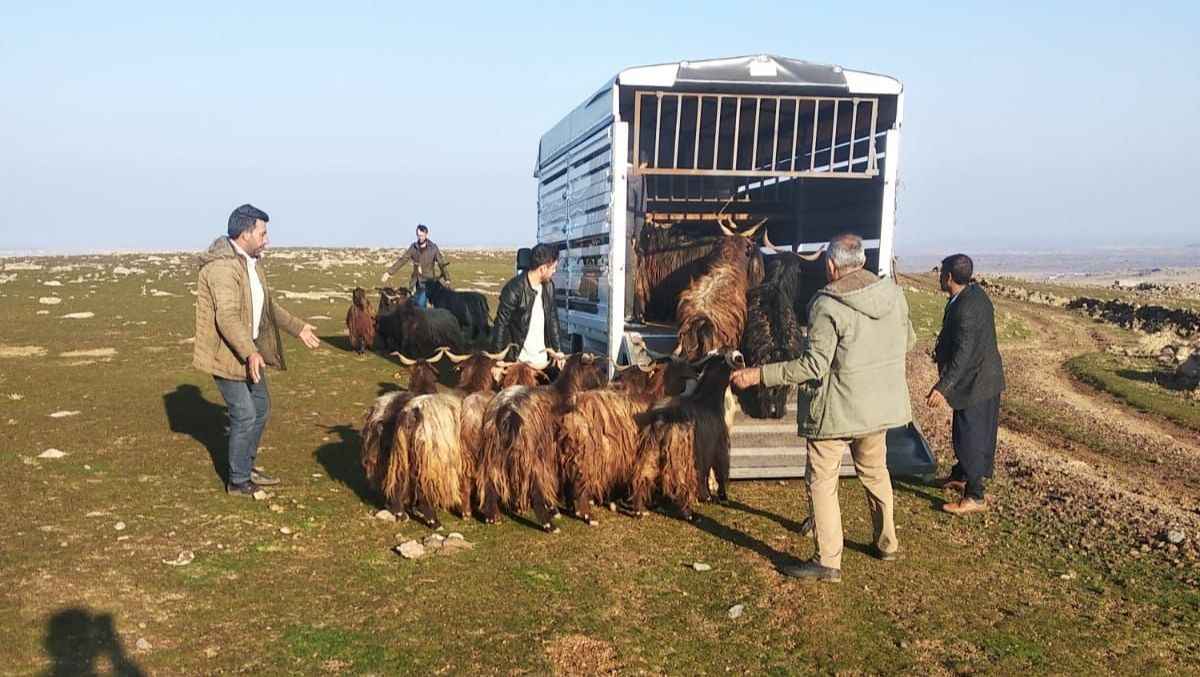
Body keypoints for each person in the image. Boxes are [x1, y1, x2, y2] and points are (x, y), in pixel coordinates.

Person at [731, 234, 915, 583]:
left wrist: (759, 375)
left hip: (837, 410)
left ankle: (828, 560)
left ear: (831, 266)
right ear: (860, 261)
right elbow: (908, 341)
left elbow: (812, 367)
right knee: (875, 473)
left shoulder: (827, 305)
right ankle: (887, 543)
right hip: (880, 408)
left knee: (823, 479)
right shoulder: (894, 295)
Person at [193, 204, 321, 496]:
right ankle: (237, 481)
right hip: (226, 355)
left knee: (261, 408)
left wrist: (297, 327)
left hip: (251, 354)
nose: (268, 239)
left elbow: (265, 307)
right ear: (245, 233)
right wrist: (250, 352)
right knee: (245, 414)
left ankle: (246, 465)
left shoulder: (252, 264)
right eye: (263, 233)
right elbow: (226, 316)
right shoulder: (222, 269)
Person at [927, 253, 1005, 515]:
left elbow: (964, 355)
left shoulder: (967, 308)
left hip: (977, 382)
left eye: (941, 273)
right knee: (972, 432)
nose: (938, 276)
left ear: (949, 277)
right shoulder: (973, 294)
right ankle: (960, 475)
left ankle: (975, 496)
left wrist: (941, 387)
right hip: (982, 377)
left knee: (970, 437)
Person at [491, 243, 561, 367]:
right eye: (553, 268)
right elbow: (500, 325)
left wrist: (558, 351)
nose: (554, 271)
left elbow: (552, 319)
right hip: (519, 362)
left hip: (543, 363)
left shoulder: (549, 287)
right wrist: (498, 359)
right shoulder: (513, 289)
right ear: (543, 269)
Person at [379, 224, 449, 308]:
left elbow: (441, 263)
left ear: (426, 234)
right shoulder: (413, 247)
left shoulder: (433, 248)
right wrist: (389, 273)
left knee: (420, 304)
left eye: (421, 235)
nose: (420, 238)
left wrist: (447, 278)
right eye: (418, 235)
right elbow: (402, 260)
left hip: (428, 283)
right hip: (414, 282)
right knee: (411, 305)